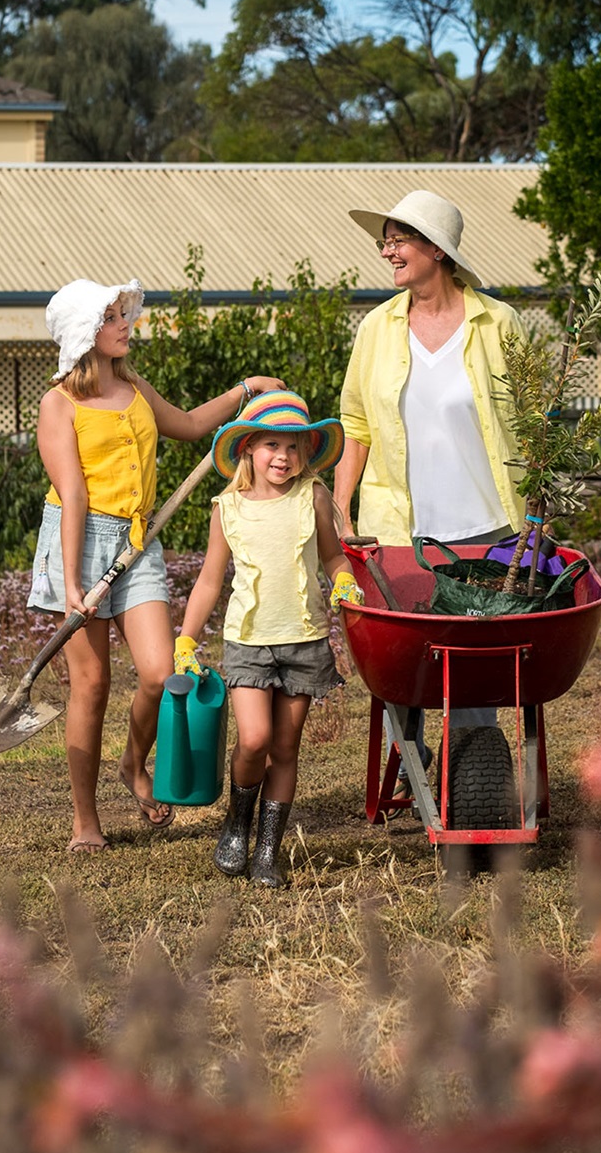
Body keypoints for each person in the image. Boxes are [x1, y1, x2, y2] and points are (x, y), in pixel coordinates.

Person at [27, 277, 284, 854]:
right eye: (114, 317)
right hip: (81, 539)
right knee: (90, 686)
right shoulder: (59, 404)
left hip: (138, 540)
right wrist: (72, 584)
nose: (126, 324)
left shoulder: (134, 386)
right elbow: (72, 493)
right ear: (86, 333)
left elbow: (192, 425)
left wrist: (246, 390)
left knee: (157, 673)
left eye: (124, 314)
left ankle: (133, 764)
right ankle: (84, 820)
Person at [332, 189, 527, 782]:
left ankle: (470, 778)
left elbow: (534, 417)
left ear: (437, 249)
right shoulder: (377, 329)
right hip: (403, 535)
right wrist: (342, 511)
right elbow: (356, 426)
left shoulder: (499, 324)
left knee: (474, 675)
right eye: (385, 239)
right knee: (402, 674)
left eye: (400, 238)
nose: (388, 249)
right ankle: (424, 775)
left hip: (491, 530)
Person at [172, 391, 363, 887]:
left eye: (294, 447)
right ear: (248, 450)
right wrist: (186, 640)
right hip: (248, 641)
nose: (283, 457)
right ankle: (236, 823)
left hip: (303, 639)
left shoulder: (314, 497)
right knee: (253, 740)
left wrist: (343, 581)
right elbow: (210, 581)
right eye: (272, 445)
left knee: (284, 747)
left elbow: (333, 556)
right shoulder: (227, 508)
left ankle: (267, 850)